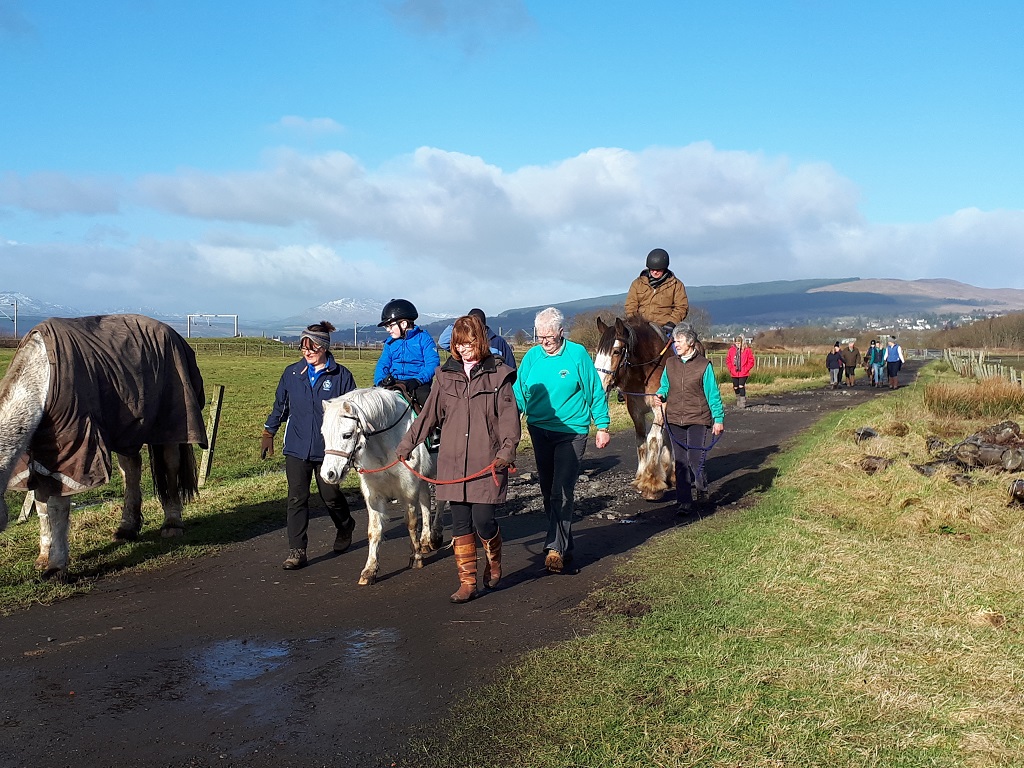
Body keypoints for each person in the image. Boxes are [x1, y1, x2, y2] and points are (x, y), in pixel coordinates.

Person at [396, 315, 520, 603]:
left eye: (470, 343)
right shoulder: (445, 374)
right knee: (460, 524)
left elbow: (510, 420)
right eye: (459, 344)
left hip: (487, 462)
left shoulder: (498, 374)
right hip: (452, 462)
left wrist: (507, 451)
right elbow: (428, 416)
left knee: (484, 520)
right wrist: (407, 444)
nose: (464, 349)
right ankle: (468, 582)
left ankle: (494, 558)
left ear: (481, 340)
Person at [513, 307, 610, 574]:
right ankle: (564, 543)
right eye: (540, 336)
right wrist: (508, 421)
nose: (544, 342)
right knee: (547, 490)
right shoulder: (532, 357)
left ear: (561, 332)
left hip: (572, 431)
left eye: (549, 337)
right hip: (539, 429)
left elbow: (594, 391)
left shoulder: (577, 354)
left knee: (562, 489)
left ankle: (554, 548)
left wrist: (602, 425)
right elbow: (519, 394)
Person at [262, 321, 357, 570]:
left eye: (312, 347)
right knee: (297, 498)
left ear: (324, 347)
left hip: (329, 450)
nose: (307, 352)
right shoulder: (292, 373)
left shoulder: (342, 376)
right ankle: (297, 550)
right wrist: (268, 432)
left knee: (330, 496)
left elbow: (352, 415)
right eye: (303, 347)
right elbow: (280, 407)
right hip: (296, 446)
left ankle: (346, 526)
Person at [657, 324, 725, 514]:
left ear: (690, 342)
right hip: (674, 419)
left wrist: (718, 419)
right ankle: (684, 502)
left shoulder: (704, 366)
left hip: (698, 418)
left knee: (695, 459)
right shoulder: (670, 363)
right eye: (675, 341)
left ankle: (702, 488)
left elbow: (713, 394)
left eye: (679, 341)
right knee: (680, 462)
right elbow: (664, 386)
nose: (675, 344)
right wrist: (661, 394)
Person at [374, 298, 441, 407]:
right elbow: (383, 364)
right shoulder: (390, 343)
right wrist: (380, 381)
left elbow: (432, 363)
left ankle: (437, 424)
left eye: (390, 326)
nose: (387, 330)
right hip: (394, 382)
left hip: (418, 384)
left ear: (403, 324)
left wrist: (418, 380)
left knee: (430, 405)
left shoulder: (424, 339)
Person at [624, 248, 689, 335]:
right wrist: (635, 322)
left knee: (680, 346)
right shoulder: (637, 284)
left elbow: (681, 307)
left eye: (658, 270)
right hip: (641, 328)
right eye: (652, 269)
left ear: (664, 268)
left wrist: (671, 323)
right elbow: (630, 306)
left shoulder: (676, 285)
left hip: (665, 328)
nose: (655, 272)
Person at [437, 308, 516, 368]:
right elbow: (443, 342)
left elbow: (511, 367)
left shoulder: (498, 342)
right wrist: (460, 325)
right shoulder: (464, 346)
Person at [726, 335, 756, 408]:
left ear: (742, 343)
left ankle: (743, 402)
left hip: (743, 372)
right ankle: (738, 399)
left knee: (741, 386)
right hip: (734, 372)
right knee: (736, 387)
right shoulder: (731, 350)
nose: (738, 345)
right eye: (736, 343)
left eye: (739, 343)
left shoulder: (747, 350)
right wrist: (731, 369)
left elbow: (751, 361)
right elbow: (728, 360)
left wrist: (746, 368)